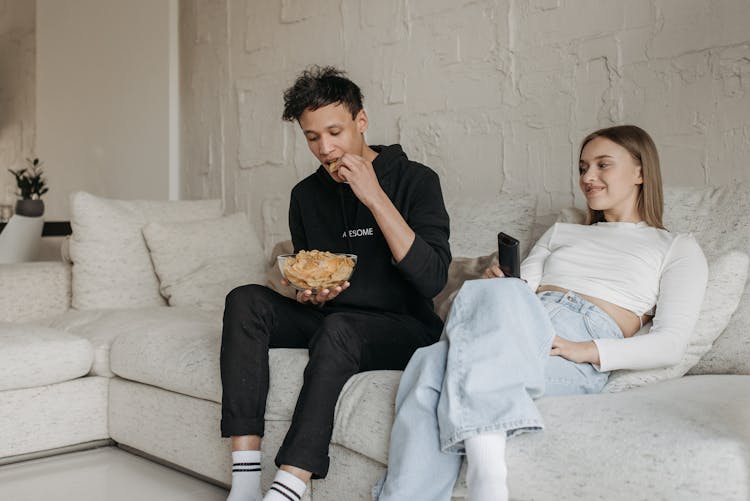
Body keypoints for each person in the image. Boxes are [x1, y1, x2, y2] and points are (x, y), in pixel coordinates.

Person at [373, 125, 708, 501]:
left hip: (574, 340)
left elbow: (671, 343)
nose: (588, 178)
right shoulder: (561, 232)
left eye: (602, 165)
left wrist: (587, 349)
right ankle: (488, 468)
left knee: (432, 363)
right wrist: (500, 284)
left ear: (640, 172)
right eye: (583, 168)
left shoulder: (676, 247)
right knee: (486, 301)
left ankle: (485, 478)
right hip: (523, 321)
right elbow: (519, 293)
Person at [220, 66, 451, 501]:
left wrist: (373, 195)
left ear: (361, 122)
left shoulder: (416, 180)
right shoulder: (305, 195)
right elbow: (313, 274)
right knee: (245, 299)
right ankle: (245, 479)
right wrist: (310, 294)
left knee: (338, 328)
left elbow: (432, 278)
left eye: (335, 132)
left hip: (405, 327)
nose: (325, 149)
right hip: (335, 318)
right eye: (312, 137)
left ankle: (290, 484)